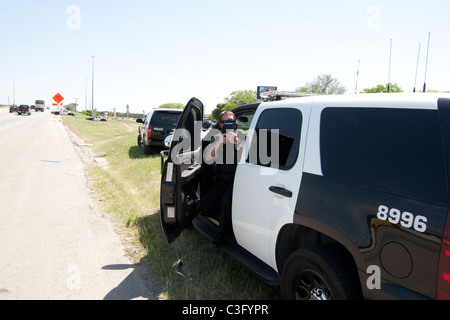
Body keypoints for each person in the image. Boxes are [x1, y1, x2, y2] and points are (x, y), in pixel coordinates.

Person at [200, 110, 244, 248]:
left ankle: (221, 235)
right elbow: (208, 157)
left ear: (235, 124)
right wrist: (219, 142)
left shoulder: (242, 137)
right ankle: (227, 223)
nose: (228, 124)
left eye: (231, 121)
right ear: (220, 124)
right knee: (205, 208)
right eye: (224, 122)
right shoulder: (216, 137)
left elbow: (251, 155)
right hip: (219, 180)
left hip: (236, 182)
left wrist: (238, 143)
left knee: (226, 201)